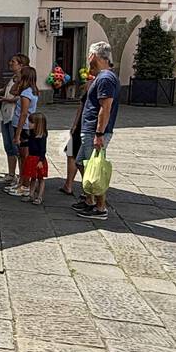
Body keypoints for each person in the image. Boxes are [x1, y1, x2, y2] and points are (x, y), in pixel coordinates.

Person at [74, 41, 120, 222]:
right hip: (90, 129)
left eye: (90, 56)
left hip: (95, 131)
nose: (88, 59)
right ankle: (90, 199)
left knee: (95, 169)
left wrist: (99, 134)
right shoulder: (102, 77)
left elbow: (105, 108)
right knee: (81, 163)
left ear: (96, 56)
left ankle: (100, 207)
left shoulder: (106, 78)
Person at [0, 53, 27, 188]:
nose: (10, 63)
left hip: (15, 116)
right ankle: (11, 174)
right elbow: (8, 90)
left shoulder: (24, 79)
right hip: (6, 114)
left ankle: (21, 177)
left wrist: (7, 99)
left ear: (21, 65)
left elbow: (23, 97)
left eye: (13, 62)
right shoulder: (13, 77)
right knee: (8, 146)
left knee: (16, 147)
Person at [7, 65, 40, 198]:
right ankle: (22, 182)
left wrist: (18, 133)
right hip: (24, 126)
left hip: (24, 127)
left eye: (20, 74)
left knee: (24, 158)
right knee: (22, 157)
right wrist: (16, 80)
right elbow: (13, 91)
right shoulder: (29, 90)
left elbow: (23, 114)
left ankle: (25, 185)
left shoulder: (26, 94)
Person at [61, 69, 94, 195]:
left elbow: (81, 107)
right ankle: (69, 184)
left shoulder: (93, 85)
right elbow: (81, 106)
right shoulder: (94, 85)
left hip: (85, 126)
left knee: (77, 157)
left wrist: (75, 124)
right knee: (72, 153)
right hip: (83, 125)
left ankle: (86, 190)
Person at [23, 113, 50, 205]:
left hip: (38, 159)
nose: (29, 124)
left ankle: (39, 196)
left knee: (40, 178)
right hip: (31, 157)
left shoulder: (41, 136)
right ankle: (31, 194)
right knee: (33, 178)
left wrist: (41, 161)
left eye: (31, 122)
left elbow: (43, 150)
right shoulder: (32, 134)